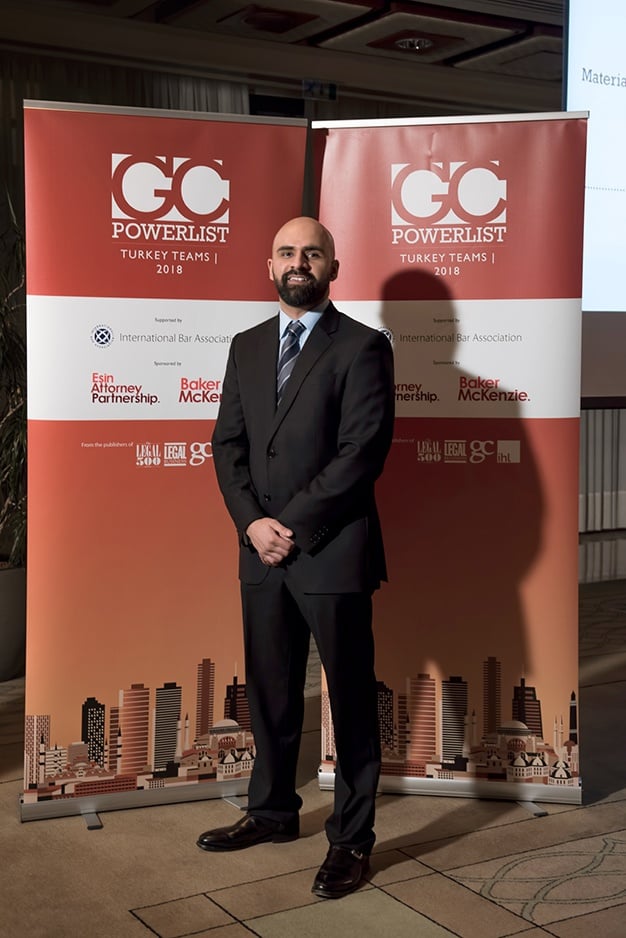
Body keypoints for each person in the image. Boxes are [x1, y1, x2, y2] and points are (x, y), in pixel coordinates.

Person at [197, 216, 395, 899]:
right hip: (261, 553)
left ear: (334, 267)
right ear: (270, 266)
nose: (298, 262)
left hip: (332, 551)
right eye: (287, 252)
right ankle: (273, 812)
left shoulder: (363, 346)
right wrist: (254, 525)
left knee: (350, 699)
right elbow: (227, 445)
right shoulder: (247, 345)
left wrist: (292, 526)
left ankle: (352, 840)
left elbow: (362, 452)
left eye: (312, 252)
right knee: (272, 692)